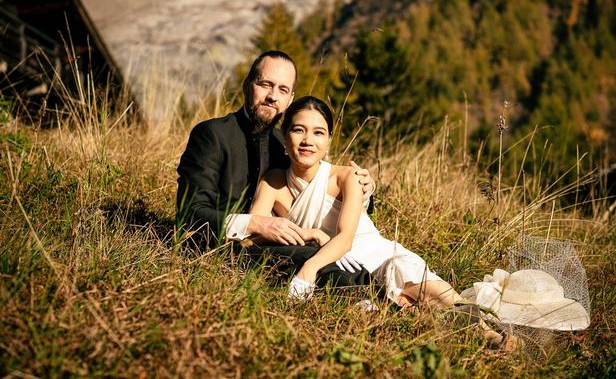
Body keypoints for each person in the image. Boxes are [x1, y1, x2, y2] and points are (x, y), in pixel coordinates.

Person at [246, 95, 517, 349]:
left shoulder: (345, 176)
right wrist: (309, 234)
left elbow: (346, 238)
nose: (308, 140)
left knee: (405, 275)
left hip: (368, 251)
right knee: (408, 311)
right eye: (298, 130)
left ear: (328, 141)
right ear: (285, 136)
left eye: (318, 133)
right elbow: (252, 235)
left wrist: (308, 269)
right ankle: (463, 334)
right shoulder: (274, 182)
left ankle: (486, 331)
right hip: (336, 265)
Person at [177, 51, 374, 286]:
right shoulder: (212, 135)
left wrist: (366, 191)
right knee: (312, 257)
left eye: (282, 89)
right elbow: (190, 214)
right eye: (265, 85)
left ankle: (377, 296)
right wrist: (256, 223)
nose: (272, 96)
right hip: (218, 250)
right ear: (247, 85)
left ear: (290, 98)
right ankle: (367, 298)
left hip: (278, 247)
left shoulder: (288, 143)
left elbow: (322, 189)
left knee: (334, 254)